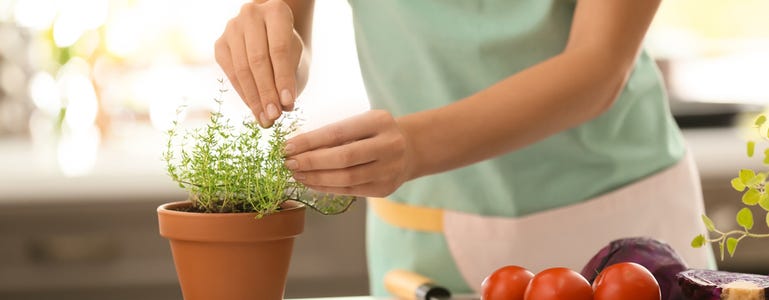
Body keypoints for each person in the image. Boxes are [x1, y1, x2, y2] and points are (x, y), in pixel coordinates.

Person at [215, 0, 715, 296]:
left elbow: (600, 64)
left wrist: (415, 146)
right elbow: (291, 32)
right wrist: (267, 33)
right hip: (421, 239)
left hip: (616, 221)